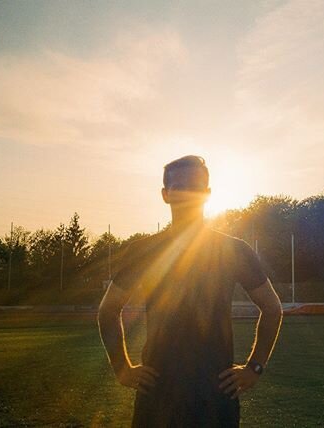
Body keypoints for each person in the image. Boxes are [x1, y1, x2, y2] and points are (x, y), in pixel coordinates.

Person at [97, 155, 283, 427]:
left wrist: (255, 367)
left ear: (207, 194)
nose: (187, 193)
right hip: (157, 393)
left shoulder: (234, 250)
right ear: (165, 194)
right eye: (178, 186)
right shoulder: (143, 251)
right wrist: (121, 368)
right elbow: (108, 310)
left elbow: (273, 308)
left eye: (195, 186)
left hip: (215, 394)